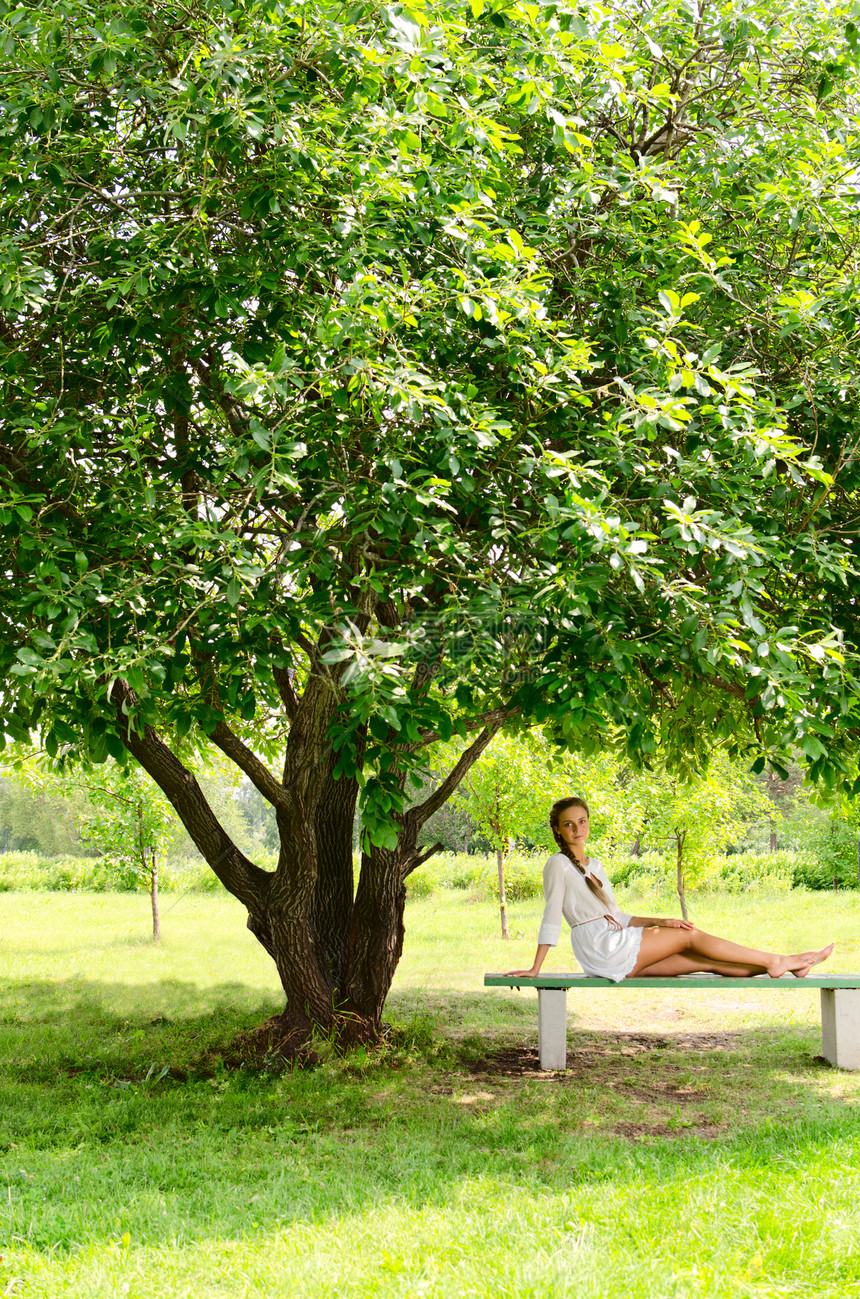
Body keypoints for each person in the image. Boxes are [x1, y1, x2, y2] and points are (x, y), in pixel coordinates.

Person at [505, 796, 834, 982]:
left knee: (703, 959)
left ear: (589, 823)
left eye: (583, 821)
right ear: (558, 830)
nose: (577, 829)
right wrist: (536, 967)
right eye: (568, 824)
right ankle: (780, 959)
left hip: (616, 945)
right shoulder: (557, 864)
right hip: (601, 947)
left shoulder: (596, 865)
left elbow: (619, 915)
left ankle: (789, 966)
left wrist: (663, 921)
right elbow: (551, 915)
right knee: (692, 937)